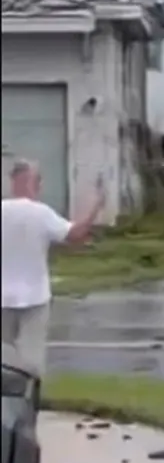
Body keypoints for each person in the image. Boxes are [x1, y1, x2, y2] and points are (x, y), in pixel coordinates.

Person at [1, 159, 105, 375]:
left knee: (4, 358)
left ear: (12, 181)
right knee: (31, 360)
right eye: (38, 180)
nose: (39, 186)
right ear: (30, 181)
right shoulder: (41, 213)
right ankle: (29, 393)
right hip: (35, 297)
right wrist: (96, 206)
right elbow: (75, 234)